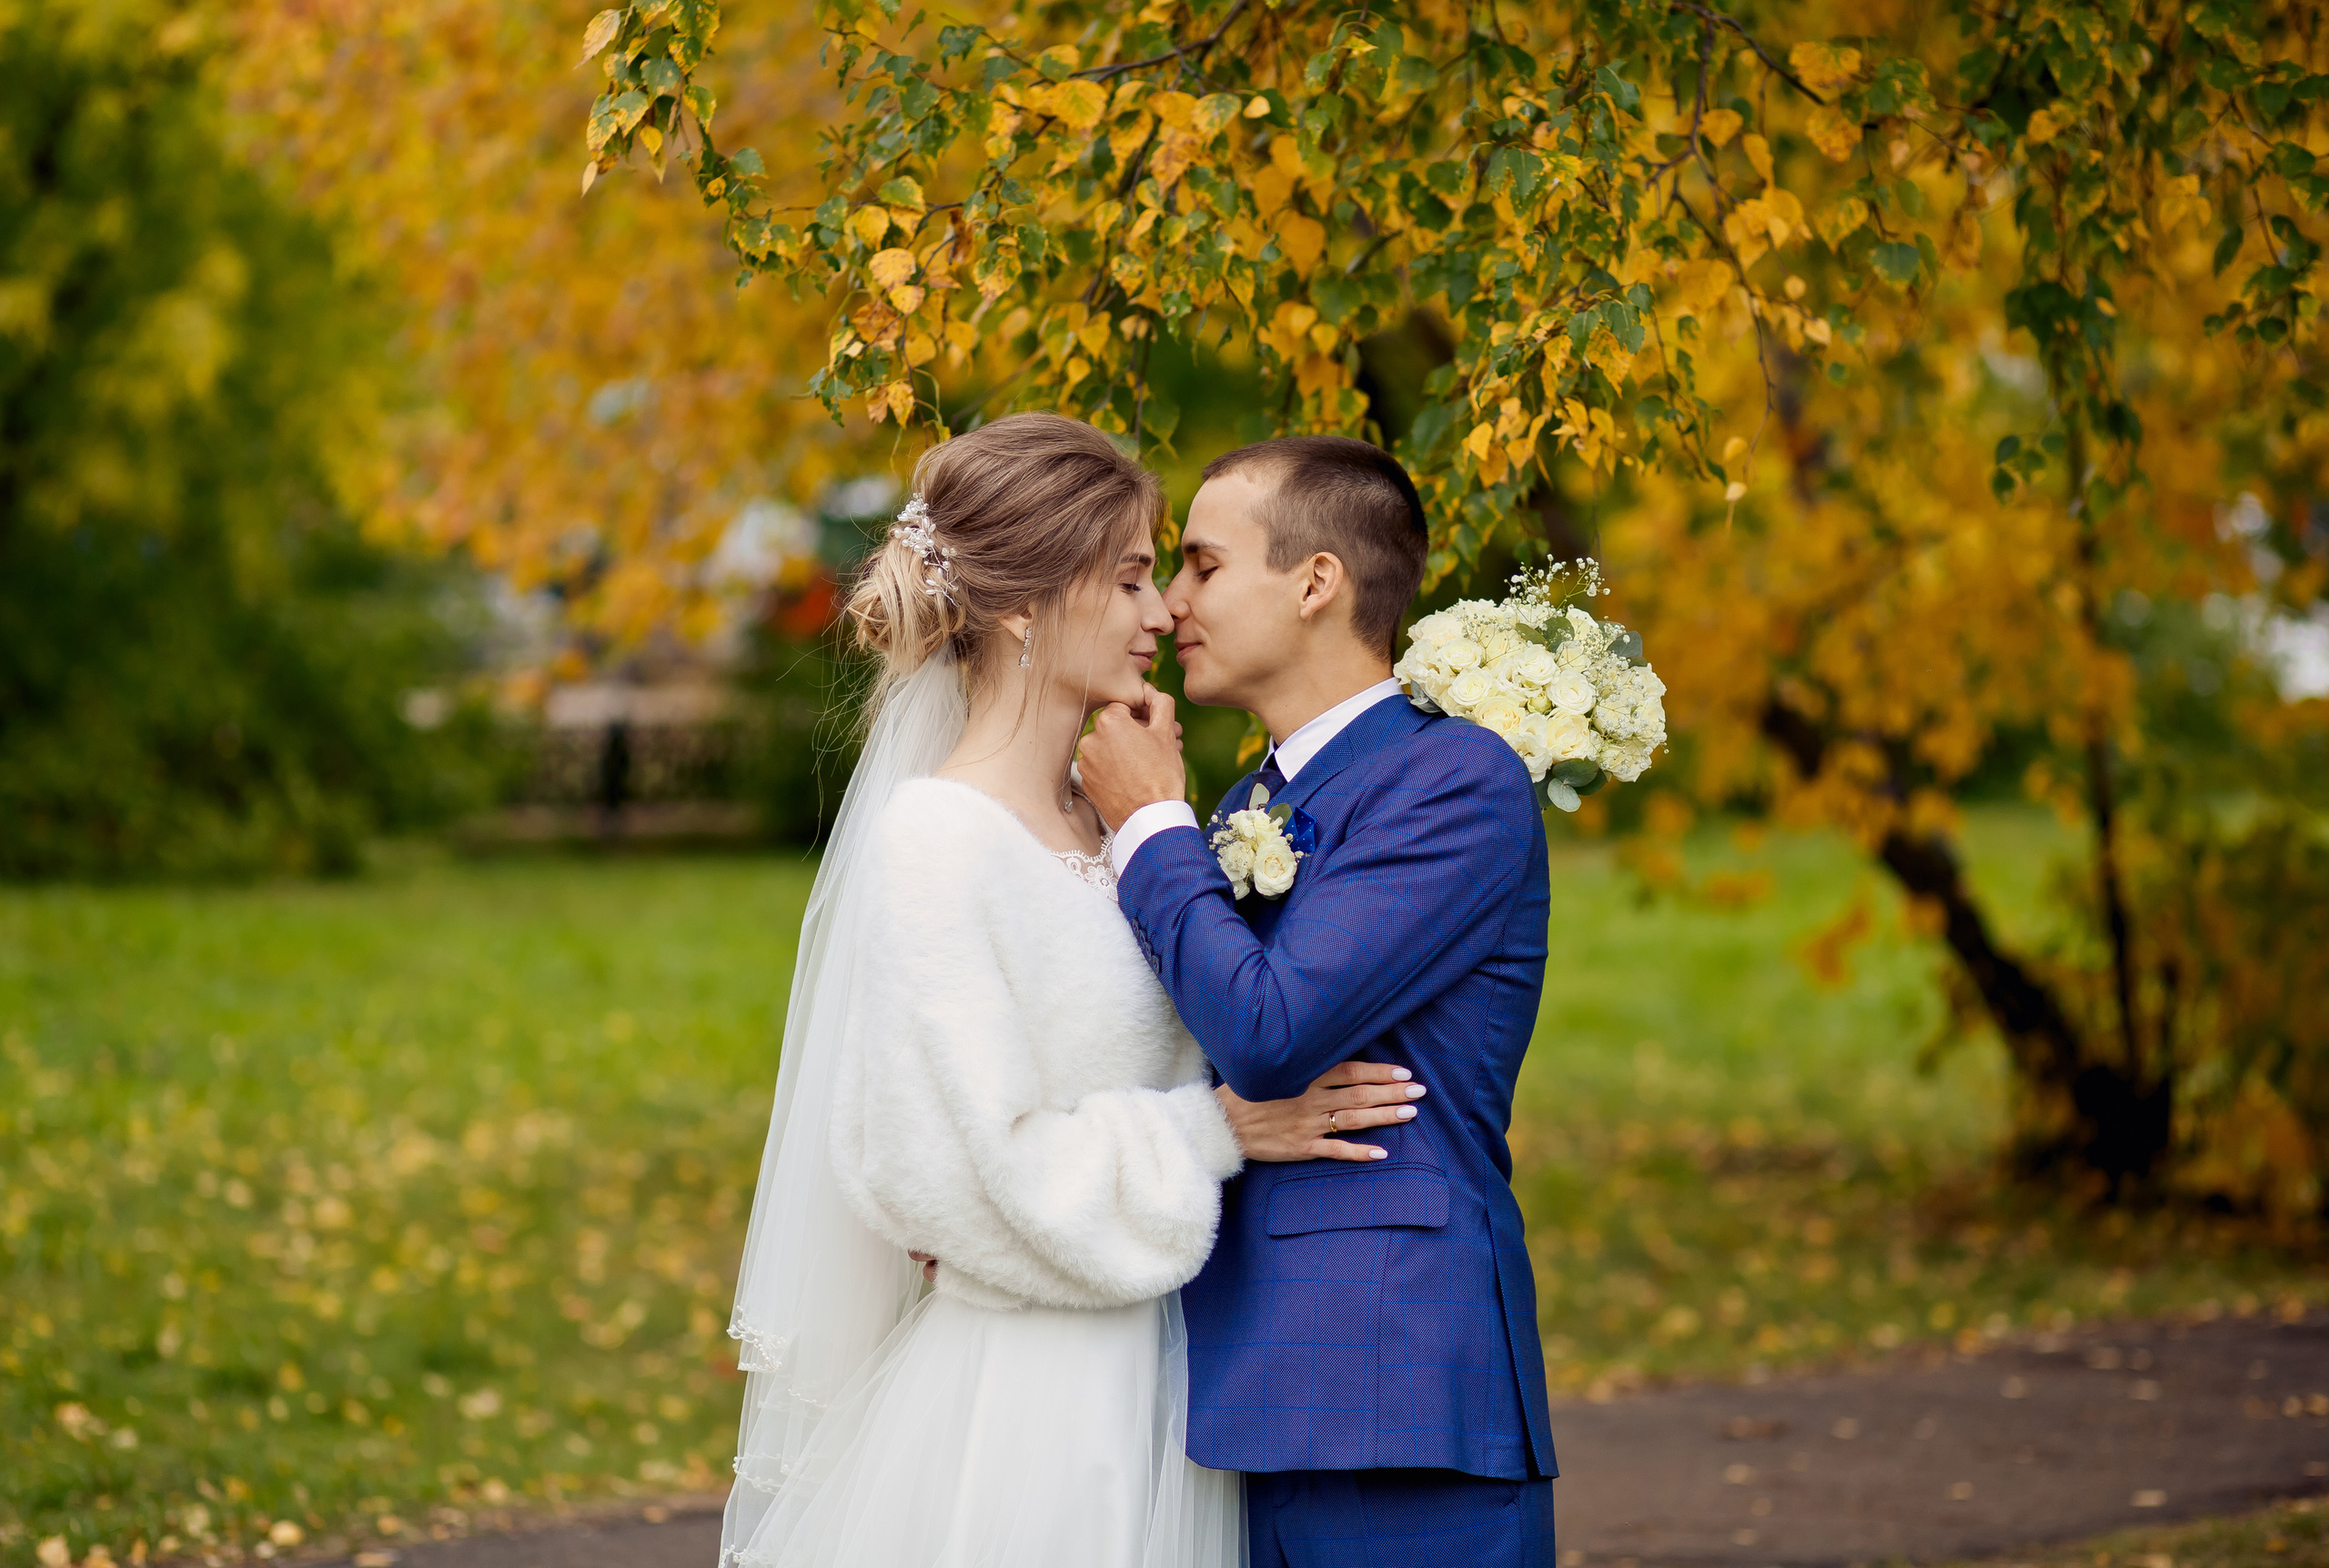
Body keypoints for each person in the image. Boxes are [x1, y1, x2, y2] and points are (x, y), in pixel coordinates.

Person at [718, 413, 1427, 1568]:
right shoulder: (938, 838)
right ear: (1020, 604)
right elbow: (941, 1171)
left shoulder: (1126, 826)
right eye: (1134, 578)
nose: (1164, 615)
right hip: (1033, 1402)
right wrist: (1219, 1130)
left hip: (1171, 1369)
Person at [1077, 436, 1560, 1568]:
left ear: (1315, 581)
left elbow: (1268, 1025)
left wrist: (1150, 824)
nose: (1171, 602)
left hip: (1396, 1384)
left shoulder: (1455, 779)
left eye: (1201, 565)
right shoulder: (1252, 799)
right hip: (1239, 1379)